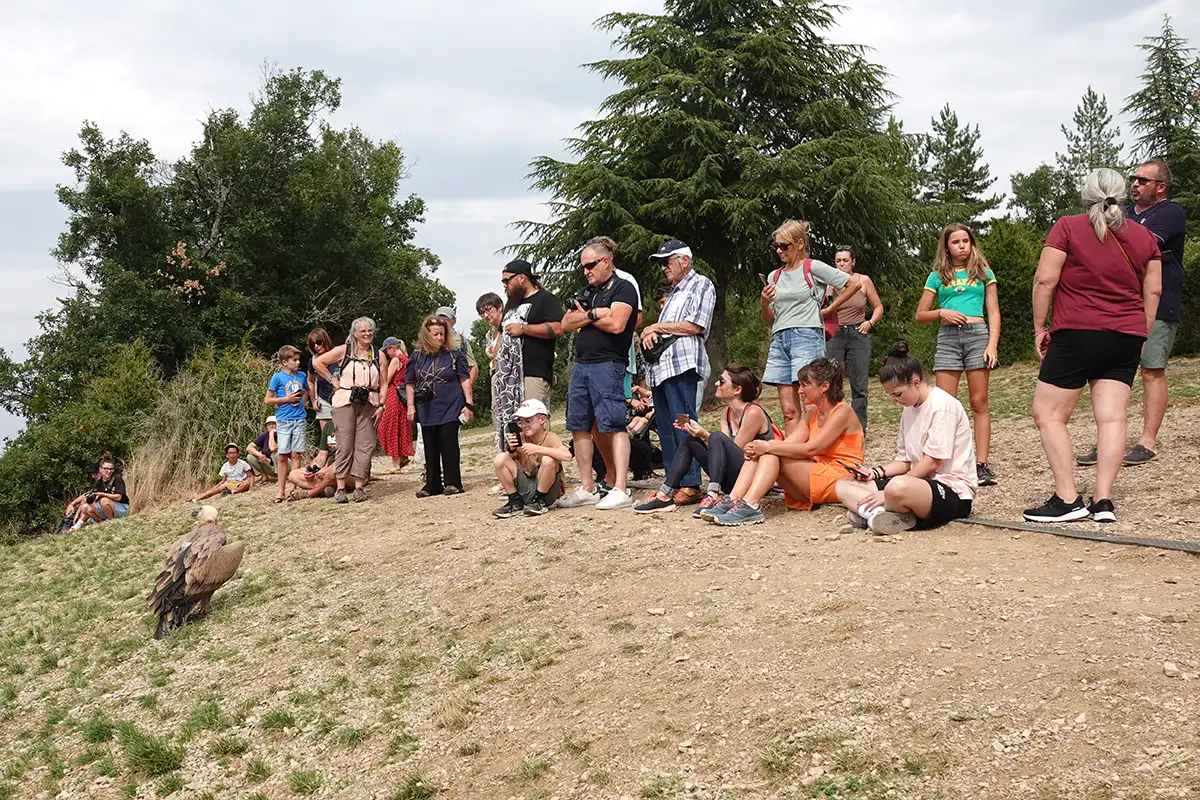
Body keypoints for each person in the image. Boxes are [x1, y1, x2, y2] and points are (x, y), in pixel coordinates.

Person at [1026, 168, 1162, 524]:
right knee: (1113, 417)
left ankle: (1068, 498)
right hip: (1127, 335)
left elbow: (1045, 280)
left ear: (1085, 196)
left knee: (1049, 414)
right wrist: (1140, 330)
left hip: (1078, 331)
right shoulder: (1145, 236)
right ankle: (1103, 500)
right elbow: (1154, 291)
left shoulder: (1068, 226)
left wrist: (1040, 327)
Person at [1077, 160, 1186, 468]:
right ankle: (1109, 441)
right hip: (1119, 303)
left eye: (1142, 180)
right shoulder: (1125, 214)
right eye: (1133, 179)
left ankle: (1147, 442)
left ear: (1160, 187)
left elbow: (1143, 243)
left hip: (1158, 303)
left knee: (1151, 370)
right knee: (1111, 373)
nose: (1134, 184)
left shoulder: (1170, 212)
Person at [834, 342, 977, 535]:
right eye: (891, 396)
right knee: (842, 485)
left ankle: (874, 511)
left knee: (896, 487)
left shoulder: (943, 405)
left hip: (951, 489)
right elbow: (904, 460)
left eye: (898, 394)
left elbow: (931, 463)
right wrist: (874, 473)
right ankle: (879, 514)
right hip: (918, 482)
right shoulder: (909, 408)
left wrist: (885, 492)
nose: (896, 400)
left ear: (915, 382)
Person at [710, 359, 862, 526]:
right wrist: (760, 447)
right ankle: (735, 499)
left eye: (805, 385)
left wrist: (768, 446)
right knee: (768, 451)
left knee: (770, 451)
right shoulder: (812, 413)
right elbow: (789, 443)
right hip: (813, 475)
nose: (800, 391)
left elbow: (812, 448)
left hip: (841, 478)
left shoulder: (842, 411)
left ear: (824, 387)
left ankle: (750, 504)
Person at [915, 223, 1001, 487]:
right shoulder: (936, 276)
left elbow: (994, 312)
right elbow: (920, 315)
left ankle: (982, 465)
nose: (962, 246)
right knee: (945, 405)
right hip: (948, 337)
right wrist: (942, 312)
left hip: (977, 334)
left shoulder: (984, 273)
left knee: (979, 401)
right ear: (947, 247)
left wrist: (992, 345)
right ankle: (945, 462)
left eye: (966, 241)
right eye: (956, 242)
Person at [557, 236, 639, 510]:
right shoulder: (587, 292)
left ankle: (621, 488)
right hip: (581, 364)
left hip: (608, 363)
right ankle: (588, 487)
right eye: (583, 267)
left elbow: (617, 323)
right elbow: (566, 322)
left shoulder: (624, 288)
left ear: (607, 260)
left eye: (591, 265)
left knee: (613, 423)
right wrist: (594, 315)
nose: (586, 271)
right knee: (578, 424)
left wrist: (590, 317)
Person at [635, 364, 776, 517]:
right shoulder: (726, 412)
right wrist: (699, 434)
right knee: (690, 440)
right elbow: (721, 450)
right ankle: (664, 495)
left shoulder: (753, 412)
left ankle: (712, 494)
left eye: (721, 381)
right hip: (732, 480)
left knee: (715, 436)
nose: (716, 383)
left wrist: (704, 434)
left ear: (737, 389)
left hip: (753, 479)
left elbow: (734, 449)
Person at [762, 219, 861, 435]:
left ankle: (818, 451)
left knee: (811, 405)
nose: (779, 250)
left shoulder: (812, 267)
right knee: (788, 410)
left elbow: (853, 284)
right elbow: (770, 319)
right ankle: (796, 456)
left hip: (806, 335)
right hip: (779, 339)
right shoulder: (774, 276)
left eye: (784, 246)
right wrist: (764, 302)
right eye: (776, 246)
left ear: (799, 244)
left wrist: (829, 309)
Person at [640, 239, 717, 507]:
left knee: (684, 424)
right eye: (661, 263)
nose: (663, 268)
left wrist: (656, 328)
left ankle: (692, 483)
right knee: (665, 428)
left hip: (682, 365)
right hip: (662, 369)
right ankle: (673, 483)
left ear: (684, 260)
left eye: (666, 262)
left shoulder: (701, 284)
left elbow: (696, 325)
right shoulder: (673, 292)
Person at [313, 317, 387, 504]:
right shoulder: (344, 350)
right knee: (344, 444)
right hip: (344, 401)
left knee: (366, 444)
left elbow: (384, 383)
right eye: (363, 331)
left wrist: (381, 404)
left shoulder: (379, 355)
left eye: (370, 330)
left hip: (369, 402)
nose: (367, 334)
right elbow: (318, 363)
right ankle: (340, 487)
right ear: (355, 333)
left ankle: (359, 486)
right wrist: (333, 381)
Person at [407, 314, 474, 497]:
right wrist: (410, 406)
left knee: (449, 443)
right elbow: (410, 382)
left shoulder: (454, 354)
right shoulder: (417, 357)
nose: (439, 338)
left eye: (442, 334)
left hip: (451, 404)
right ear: (426, 335)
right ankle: (432, 484)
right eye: (435, 334)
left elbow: (464, 379)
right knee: (430, 444)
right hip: (426, 407)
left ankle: (453, 483)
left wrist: (469, 404)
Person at [825, 245, 884, 430]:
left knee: (859, 385)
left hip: (857, 333)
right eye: (838, 261)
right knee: (831, 381)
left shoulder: (863, 280)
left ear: (853, 262)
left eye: (845, 260)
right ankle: (832, 428)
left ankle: (858, 429)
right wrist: (828, 290)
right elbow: (822, 308)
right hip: (835, 334)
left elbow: (878, 307)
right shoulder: (829, 282)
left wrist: (870, 322)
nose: (842, 264)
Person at [491, 399, 572, 518]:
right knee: (500, 458)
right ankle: (515, 502)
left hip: (548, 492)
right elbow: (506, 463)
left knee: (548, 460)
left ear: (542, 420)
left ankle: (540, 501)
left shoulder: (550, 437)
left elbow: (567, 455)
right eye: (521, 421)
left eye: (528, 421)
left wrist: (538, 449)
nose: (524, 425)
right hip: (527, 487)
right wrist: (511, 449)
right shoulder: (521, 438)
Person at [500, 259, 565, 407]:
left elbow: (557, 328)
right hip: (509, 379)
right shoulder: (511, 305)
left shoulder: (546, 299)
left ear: (521, 278)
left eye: (506, 280)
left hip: (533, 375)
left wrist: (523, 328)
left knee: (535, 425)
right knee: (514, 428)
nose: (504, 285)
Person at [263, 345, 308, 503]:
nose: (297, 362)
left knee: (296, 454)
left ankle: (294, 488)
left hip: (299, 419)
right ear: (284, 362)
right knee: (282, 455)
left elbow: (307, 390)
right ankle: (280, 491)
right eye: (294, 360)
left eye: (298, 359)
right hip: (283, 419)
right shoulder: (277, 377)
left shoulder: (301, 375)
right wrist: (286, 399)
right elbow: (267, 399)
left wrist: (304, 402)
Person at [377, 336, 414, 475]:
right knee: (401, 427)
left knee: (388, 428)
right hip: (403, 398)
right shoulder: (407, 358)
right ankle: (402, 456)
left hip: (393, 397)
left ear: (392, 348)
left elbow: (387, 380)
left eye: (387, 351)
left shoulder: (396, 360)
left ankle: (395, 464)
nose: (386, 354)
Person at [70, 455, 131, 529]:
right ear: (101, 469)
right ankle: (101, 523)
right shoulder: (99, 482)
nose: (109, 471)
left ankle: (112, 522)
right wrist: (72, 504)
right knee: (85, 507)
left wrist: (102, 494)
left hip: (122, 508)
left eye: (111, 469)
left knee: (103, 500)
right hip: (107, 509)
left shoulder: (117, 479)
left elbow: (119, 497)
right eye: (106, 469)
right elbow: (87, 494)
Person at [434, 306, 479, 390]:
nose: (442, 322)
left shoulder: (462, 341)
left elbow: (473, 367)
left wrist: (466, 391)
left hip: (454, 391)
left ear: (453, 321)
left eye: (445, 319)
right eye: (438, 319)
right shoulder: (427, 340)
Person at [306, 328, 337, 436]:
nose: (316, 346)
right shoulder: (313, 361)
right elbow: (310, 380)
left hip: (340, 397)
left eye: (318, 342)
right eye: (312, 344)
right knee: (327, 436)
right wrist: (313, 400)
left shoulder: (338, 354)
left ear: (325, 340)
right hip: (324, 399)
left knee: (343, 434)